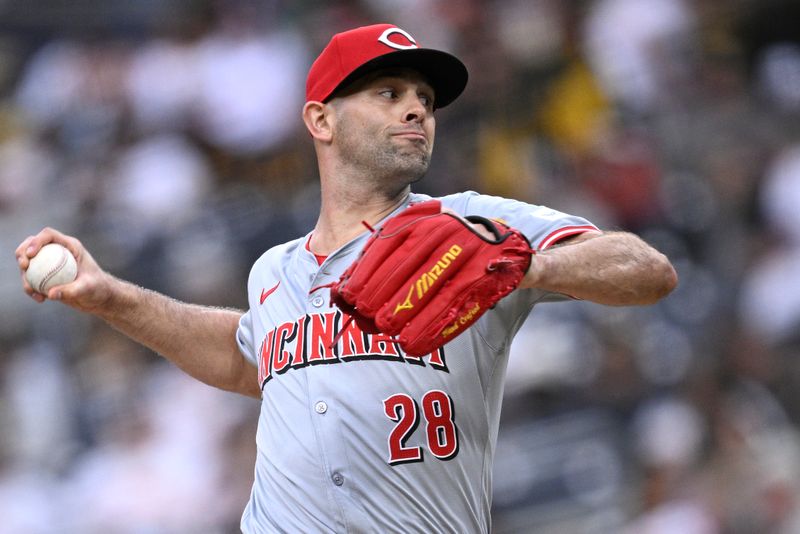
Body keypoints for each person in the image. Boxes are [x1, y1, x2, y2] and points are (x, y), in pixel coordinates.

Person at [16, 23, 677, 534]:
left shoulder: (471, 226)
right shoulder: (274, 272)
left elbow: (648, 272)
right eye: (388, 94)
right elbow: (245, 359)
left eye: (424, 98)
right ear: (321, 119)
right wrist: (111, 298)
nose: (416, 109)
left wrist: (528, 265)